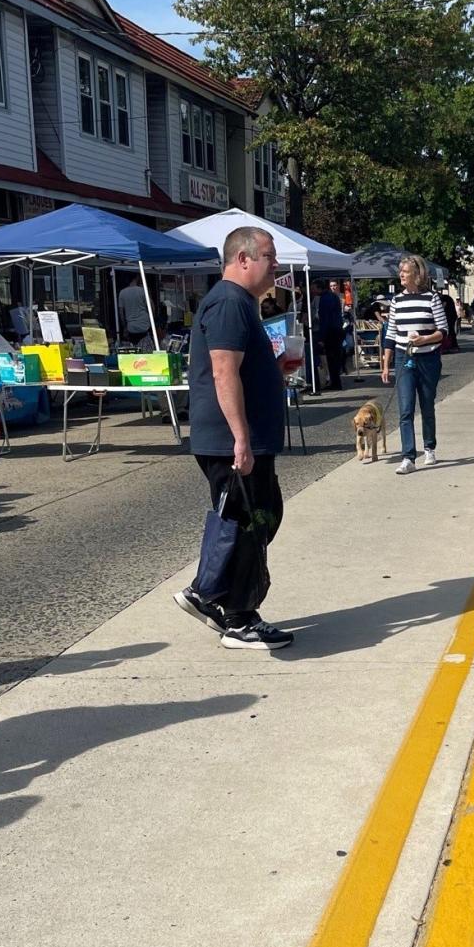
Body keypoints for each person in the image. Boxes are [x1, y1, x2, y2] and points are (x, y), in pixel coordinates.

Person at [176, 226, 295, 651]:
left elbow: (237, 370)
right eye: (269, 255)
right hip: (232, 442)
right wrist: (240, 439)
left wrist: (274, 370)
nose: (275, 264)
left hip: (245, 439)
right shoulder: (229, 302)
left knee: (260, 517)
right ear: (242, 259)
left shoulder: (241, 304)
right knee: (248, 523)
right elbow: (223, 372)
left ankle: (209, 592)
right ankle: (238, 618)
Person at [382, 255, 448, 473]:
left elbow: (443, 331)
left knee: (427, 405)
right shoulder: (396, 301)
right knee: (405, 408)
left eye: (405, 271)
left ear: (417, 275)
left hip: (428, 357)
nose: (401, 274)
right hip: (404, 357)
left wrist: (425, 339)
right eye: (400, 270)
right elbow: (390, 333)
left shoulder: (432, 298)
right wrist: (386, 362)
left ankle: (429, 447)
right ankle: (408, 457)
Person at [318, 277, 346, 390]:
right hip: (337, 330)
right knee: (335, 358)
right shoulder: (334, 297)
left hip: (331, 331)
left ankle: (335, 383)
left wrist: (322, 337)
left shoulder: (326, 298)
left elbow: (325, 318)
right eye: (331, 286)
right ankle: (336, 381)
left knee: (332, 358)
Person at [117, 273, 155, 350]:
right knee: (147, 352)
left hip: (131, 327)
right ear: (137, 278)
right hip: (144, 325)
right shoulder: (143, 291)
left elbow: (121, 313)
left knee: (133, 351)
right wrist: (152, 321)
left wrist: (125, 327)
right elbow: (152, 307)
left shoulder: (122, 293)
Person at [442, 287, 460, 353]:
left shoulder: (444, 299)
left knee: (449, 331)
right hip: (452, 316)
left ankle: (450, 346)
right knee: (451, 331)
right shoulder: (447, 298)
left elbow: (443, 306)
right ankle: (453, 345)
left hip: (449, 316)